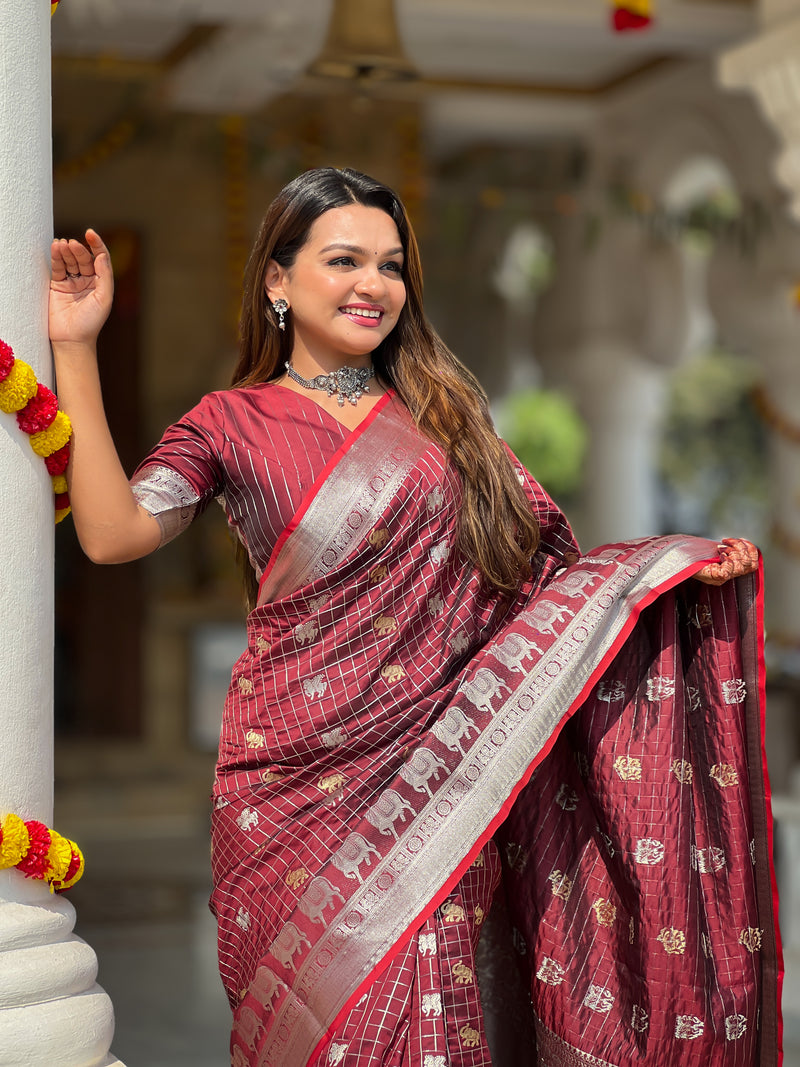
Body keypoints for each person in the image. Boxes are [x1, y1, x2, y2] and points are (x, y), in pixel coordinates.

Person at [49, 167, 776, 1067]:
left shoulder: (448, 422)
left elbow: (542, 582)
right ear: (276, 280)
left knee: (436, 1023)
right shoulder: (228, 422)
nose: (373, 285)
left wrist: (672, 573)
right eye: (344, 259)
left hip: (439, 782)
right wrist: (76, 347)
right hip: (286, 798)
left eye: (391, 266)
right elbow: (113, 533)